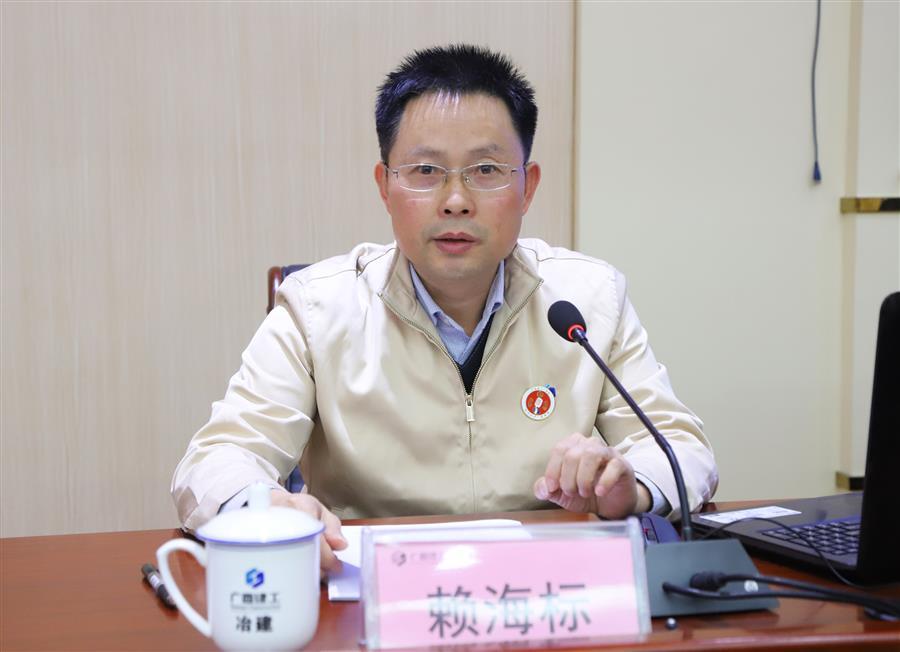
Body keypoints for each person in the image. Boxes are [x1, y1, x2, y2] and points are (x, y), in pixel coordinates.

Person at [171, 44, 717, 572]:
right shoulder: (317, 310)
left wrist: (632, 488)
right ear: (385, 186)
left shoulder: (588, 300)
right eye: (426, 171)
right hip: (373, 595)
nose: (456, 201)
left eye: (486, 170)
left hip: (545, 592)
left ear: (527, 188)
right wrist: (267, 508)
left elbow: (681, 449)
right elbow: (216, 459)